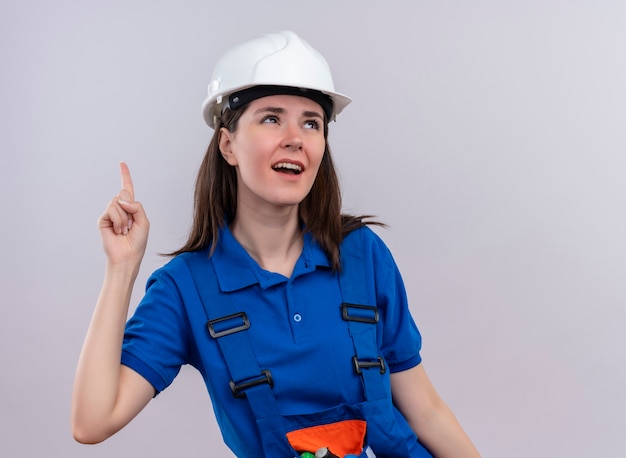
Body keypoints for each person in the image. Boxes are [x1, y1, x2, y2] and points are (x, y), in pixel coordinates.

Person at [71, 30, 480, 457]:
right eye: (271, 118)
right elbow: (92, 422)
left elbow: (426, 412)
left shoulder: (361, 254)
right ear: (228, 144)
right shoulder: (186, 287)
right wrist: (121, 269)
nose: (295, 137)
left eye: (311, 122)